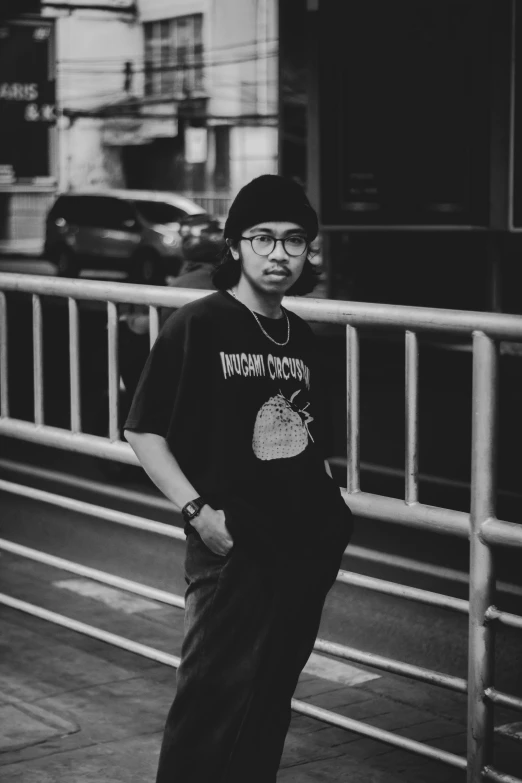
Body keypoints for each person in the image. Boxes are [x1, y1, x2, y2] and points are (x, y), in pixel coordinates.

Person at [123, 174, 353, 783]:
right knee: (211, 700)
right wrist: (199, 514)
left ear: (308, 252)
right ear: (235, 246)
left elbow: (311, 443)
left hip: (302, 547)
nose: (280, 254)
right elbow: (144, 430)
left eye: (295, 242)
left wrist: (330, 522)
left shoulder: (299, 335)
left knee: (270, 701)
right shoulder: (199, 324)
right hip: (232, 546)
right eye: (263, 238)